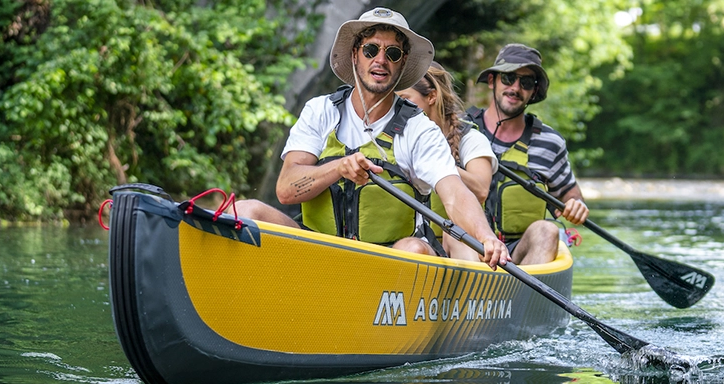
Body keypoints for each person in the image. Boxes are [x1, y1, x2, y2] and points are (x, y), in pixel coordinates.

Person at [235, 7, 509, 269]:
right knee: (246, 210)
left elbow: (454, 195)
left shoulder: (419, 129)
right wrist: (339, 168)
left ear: (402, 64)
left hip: (387, 264)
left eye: (392, 53)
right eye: (371, 50)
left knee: (413, 249)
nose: (381, 60)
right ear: (355, 55)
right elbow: (285, 189)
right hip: (317, 252)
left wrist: (486, 237)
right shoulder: (320, 110)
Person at [463, 43, 589, 265]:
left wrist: (576, 205)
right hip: (465, 247)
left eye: (526, 82)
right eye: (509, 78)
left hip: (518, 256)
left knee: (547, 230)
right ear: (492, 81)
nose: (516, 88)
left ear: (533, 92)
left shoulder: (550, 143)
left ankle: (527, 297)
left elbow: (570, 196)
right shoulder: (458, 129)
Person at [397, 62, 497, 261]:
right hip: (420, 243)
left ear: (432, 97)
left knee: (456, 234)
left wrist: (433, 162)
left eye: (405, 100)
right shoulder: (399, 139)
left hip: (458, 246)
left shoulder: (471, 139)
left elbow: (481, 189)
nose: (398, 109)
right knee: (409, 247)